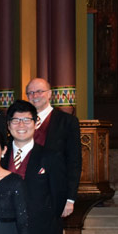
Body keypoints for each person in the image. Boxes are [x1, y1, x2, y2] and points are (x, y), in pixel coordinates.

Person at [4, 100, 68, 234]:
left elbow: (58, 198)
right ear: (8, 126)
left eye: (26, 120)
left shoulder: (50, 156)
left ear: (35, 123)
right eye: (16, 121)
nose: (21, 125)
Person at [25, 77, 82, 216]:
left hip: (54, 191)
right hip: (25, 191)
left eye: (39, 91)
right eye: (30, 93)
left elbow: (74, 161)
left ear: (49, 94)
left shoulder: (67, 122)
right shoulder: (21, 122)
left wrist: (70, 198)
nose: (35, 96)